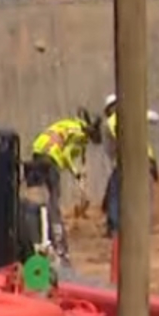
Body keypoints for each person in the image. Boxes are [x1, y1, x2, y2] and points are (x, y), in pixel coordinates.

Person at [28, 111, 98, 264]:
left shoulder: (67, 125)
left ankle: (38, 237)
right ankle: (59, 245)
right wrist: (76, 172)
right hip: (51, 160)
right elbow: (66, 154)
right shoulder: (80, 134)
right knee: (54, 204)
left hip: (37, 154)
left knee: (36, 199)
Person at [100, 94, 159, 239]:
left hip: (128, 161)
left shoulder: (109, 123)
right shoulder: (130, 116)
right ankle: (139, 227)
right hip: (143, 160)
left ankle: (116, 227)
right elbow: (155, 118)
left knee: (115, 194)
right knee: (142, 193)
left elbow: (110, 150)